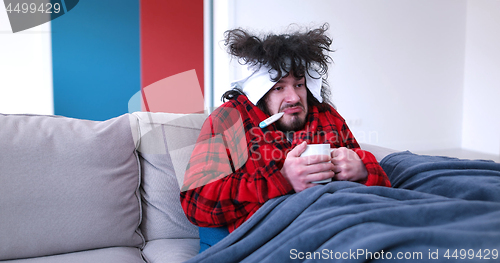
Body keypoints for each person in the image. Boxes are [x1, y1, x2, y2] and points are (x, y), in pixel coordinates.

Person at [180, 24, 391, 238]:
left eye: (299, 85)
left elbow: (379, 186)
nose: (294, 98)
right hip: (279, 235)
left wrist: (364, 169)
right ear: (260, 93)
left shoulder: (326, 115)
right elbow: (196, 203)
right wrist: (282, 179)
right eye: (279, 88)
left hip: (346, 222)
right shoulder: (228, 120)